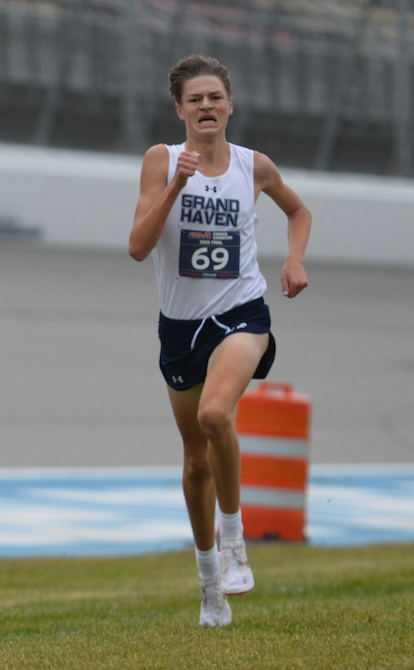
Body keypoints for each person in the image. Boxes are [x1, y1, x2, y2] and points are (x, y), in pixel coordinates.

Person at [129, 54, 311, 627]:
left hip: (242, 314)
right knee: (194, 462)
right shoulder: (162, 161)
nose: (206, 106)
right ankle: (211, 585)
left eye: (215, 97)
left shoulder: (253, 166)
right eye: (195, 99)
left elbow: (299, 211)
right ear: (180, 110)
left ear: (230, 105)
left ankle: (235, 542)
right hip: (180, 327)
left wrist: (295, 260)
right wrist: (177, 184)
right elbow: (137, 246)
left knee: (215, 415)